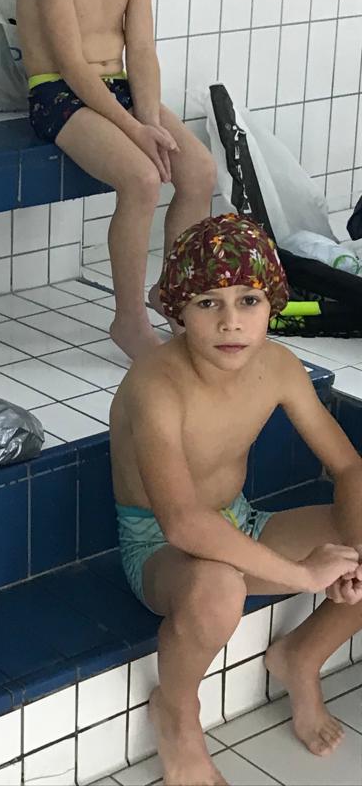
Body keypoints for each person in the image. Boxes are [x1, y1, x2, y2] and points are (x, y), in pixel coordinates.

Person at [109, 213, 362, 786]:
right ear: (178, 311)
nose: (231, 322)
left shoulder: (279, 367)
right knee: (218, 588)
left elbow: (348, 466)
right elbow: (182, 524)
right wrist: (304, 575)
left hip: (240, 522)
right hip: (161, 548)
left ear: (273, 304)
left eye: (249, 300)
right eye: (208, 303)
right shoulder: (155, 385)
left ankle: (302, 656)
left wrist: (354, 553)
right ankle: (176, 713)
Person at [16, 0, 217, 360]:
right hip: (59, 92)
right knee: (143, 178)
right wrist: (133, 129)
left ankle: (171, 295)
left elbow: (142, 50)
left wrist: (149, 120)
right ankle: (128, 320)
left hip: (118, 89)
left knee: (199, 170)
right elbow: (69, 64)